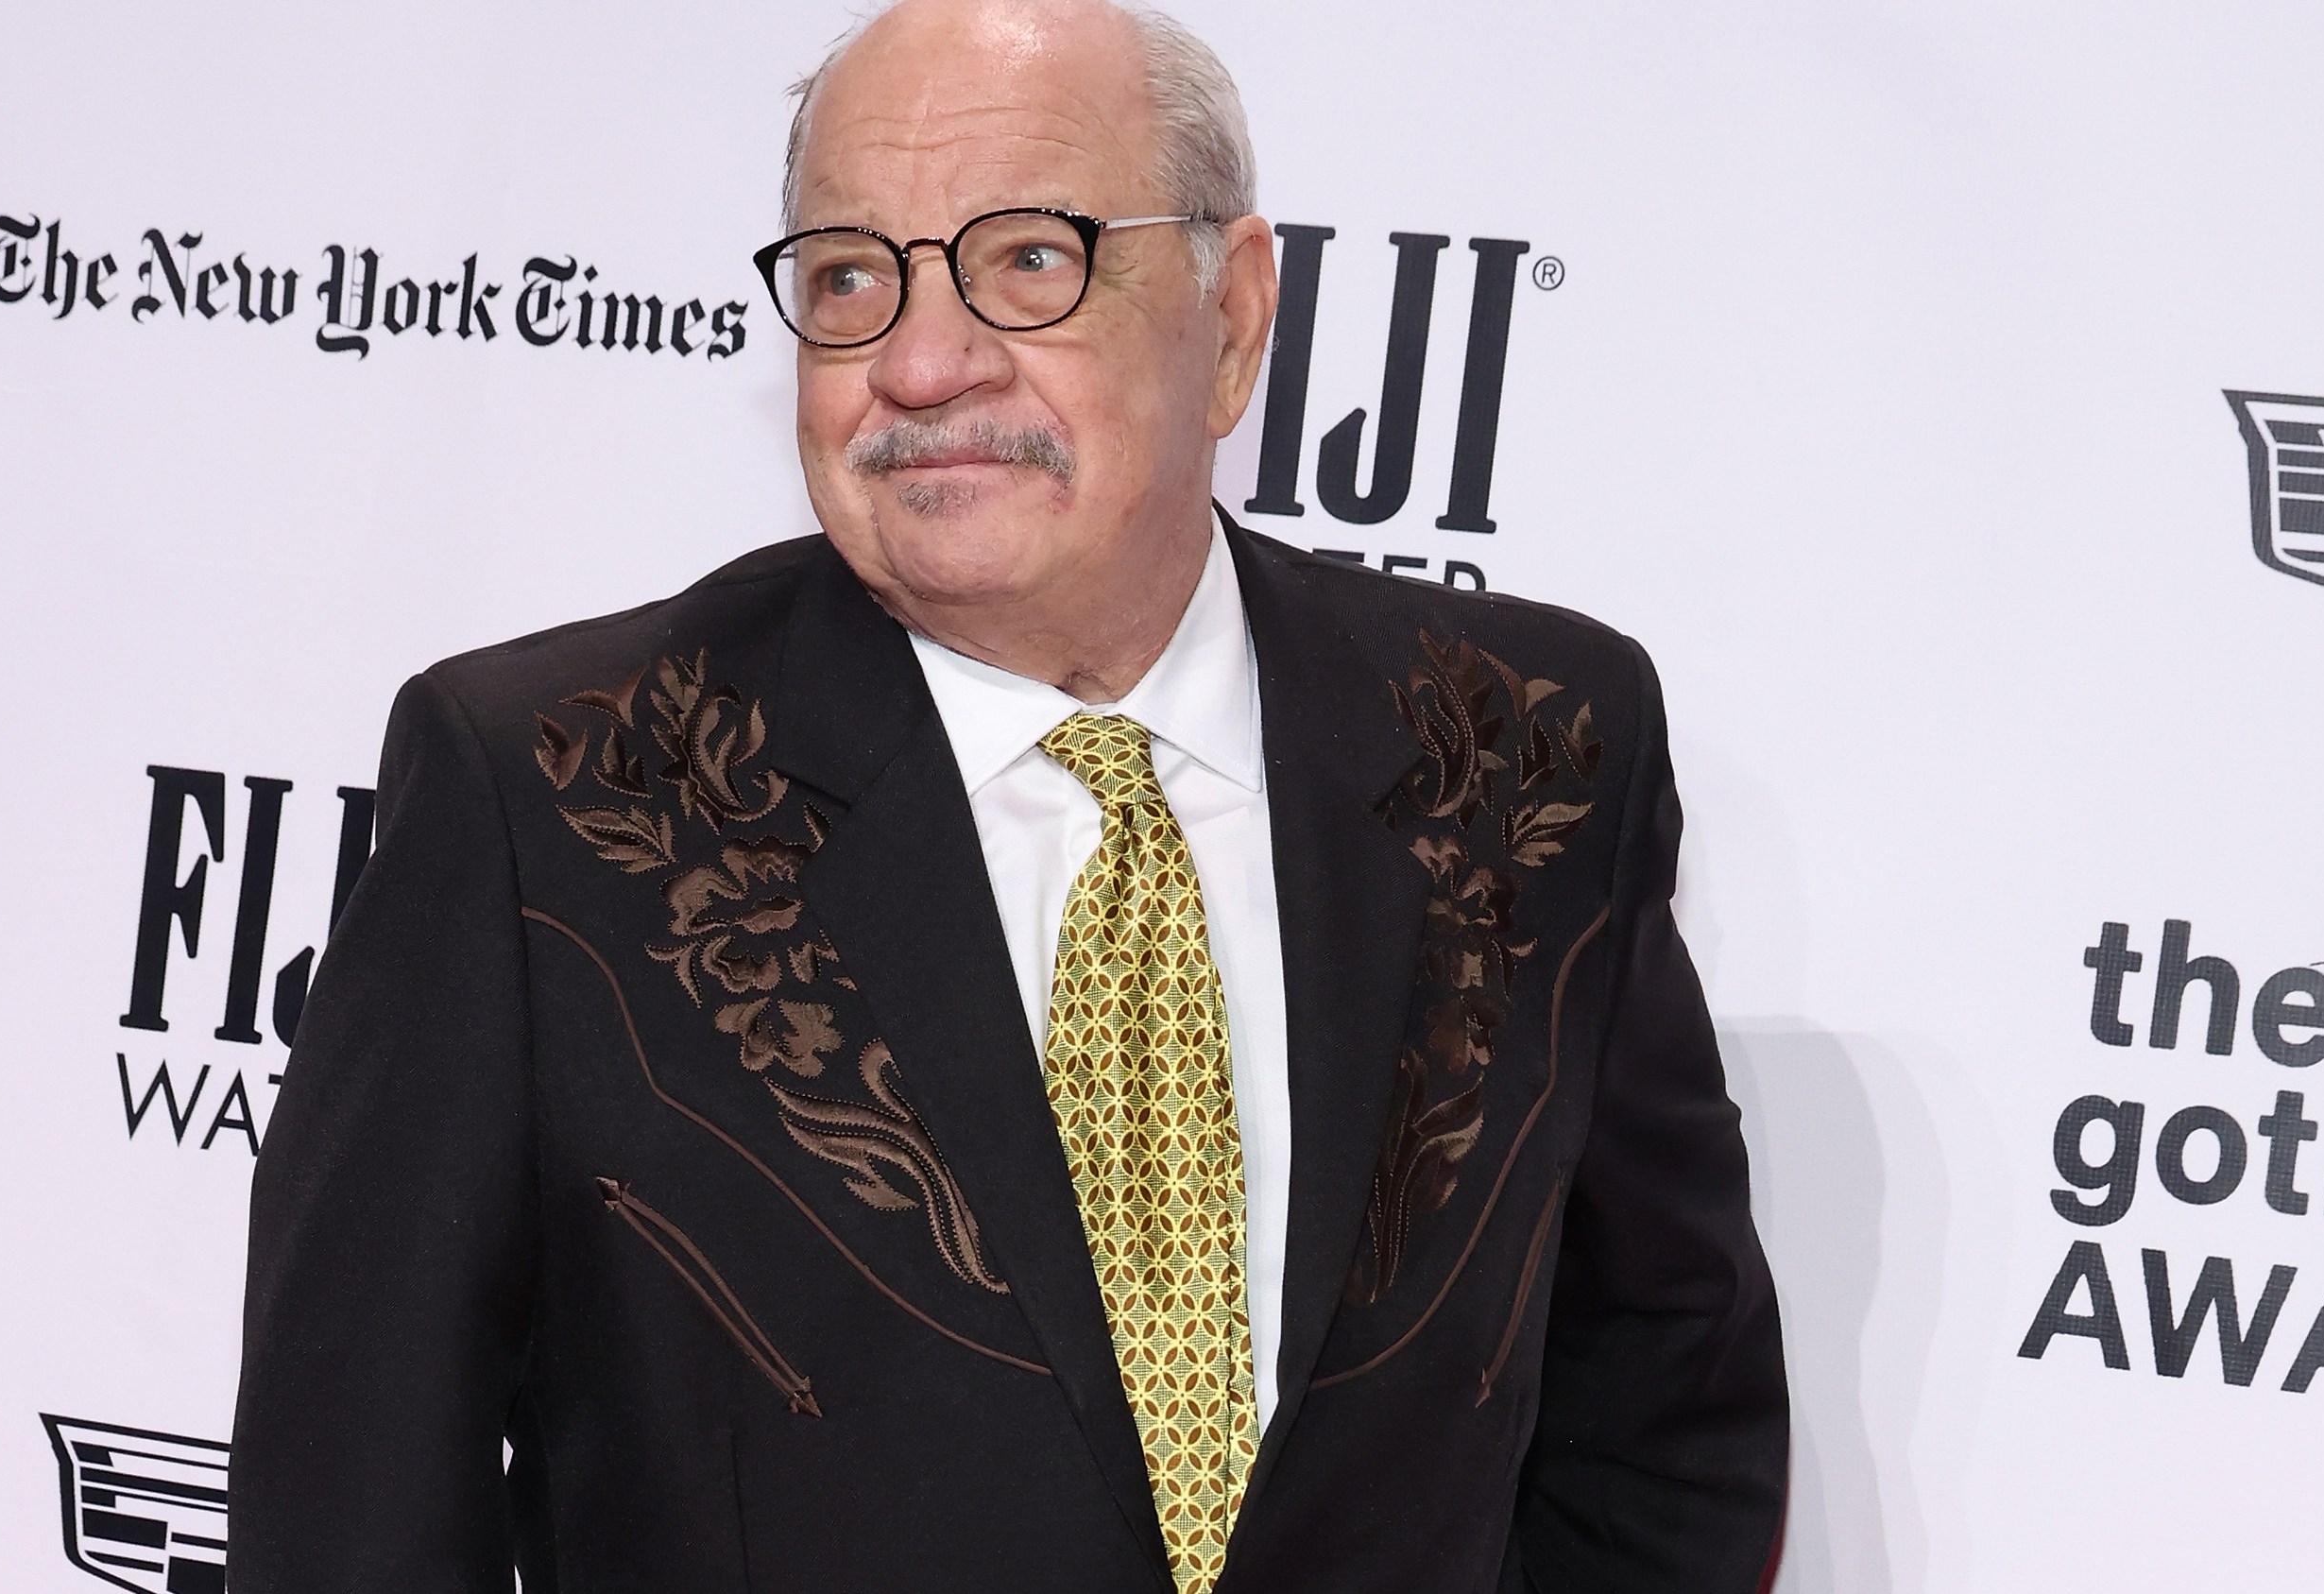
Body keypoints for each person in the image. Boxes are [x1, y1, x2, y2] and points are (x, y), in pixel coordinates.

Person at [230, 1, 1787, 1588]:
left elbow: (1662, 1410)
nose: (919, 361)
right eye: (850, 275)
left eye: (1028, 259)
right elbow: (350, 1509)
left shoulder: (1525, 748)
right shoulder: (552, 792)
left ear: (1235, 319)